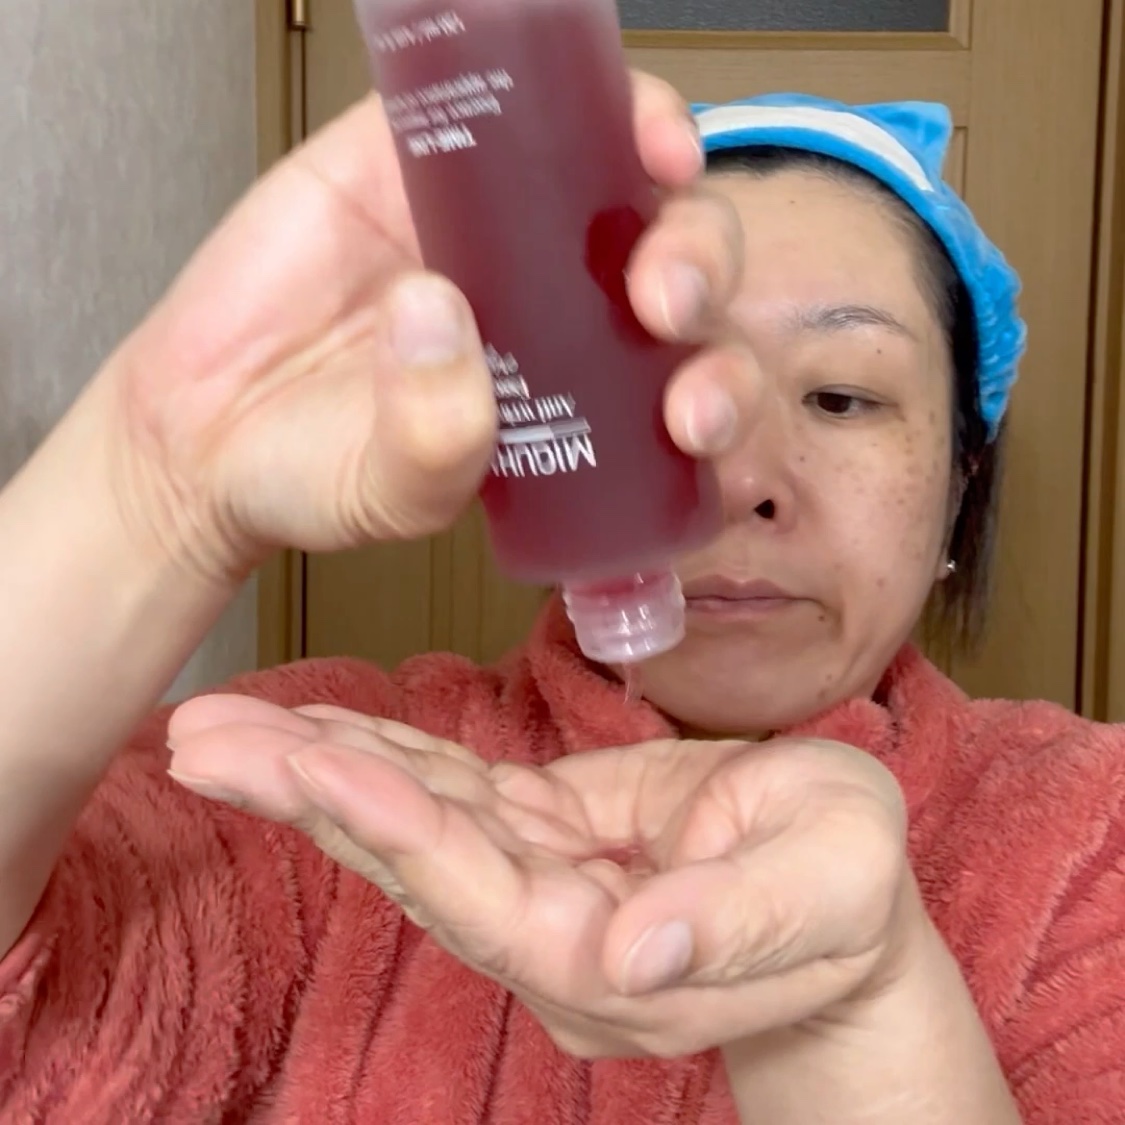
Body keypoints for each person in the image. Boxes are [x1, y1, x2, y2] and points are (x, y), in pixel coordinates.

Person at [0, 73, 1120, 1124]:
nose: (739, 480)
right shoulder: (325, 781)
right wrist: (155, 487)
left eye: (839, 397)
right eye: (660, 385)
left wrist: (864, 1011)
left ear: (961, 479)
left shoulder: (1089, 830)